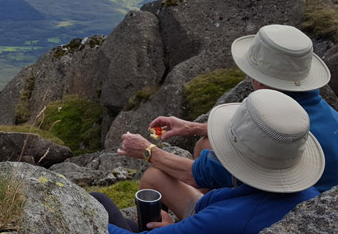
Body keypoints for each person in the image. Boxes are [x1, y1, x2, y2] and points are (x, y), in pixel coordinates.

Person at [118, 24, 338, 194]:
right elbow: (252, 135)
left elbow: (194, 174)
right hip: (304, 196)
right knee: (205, 144)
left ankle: (203, 217)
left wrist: (147, 150)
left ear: (260, 80)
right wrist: (191, 127)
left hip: (283, 210)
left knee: (154, 177)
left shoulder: (284, 134)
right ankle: (207, 204)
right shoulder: (322, 116)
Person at [95, 90, 324, 234]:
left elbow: (211, 214)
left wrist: (72, 212)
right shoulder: (310, 195)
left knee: (97, 201)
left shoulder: (228, 218)